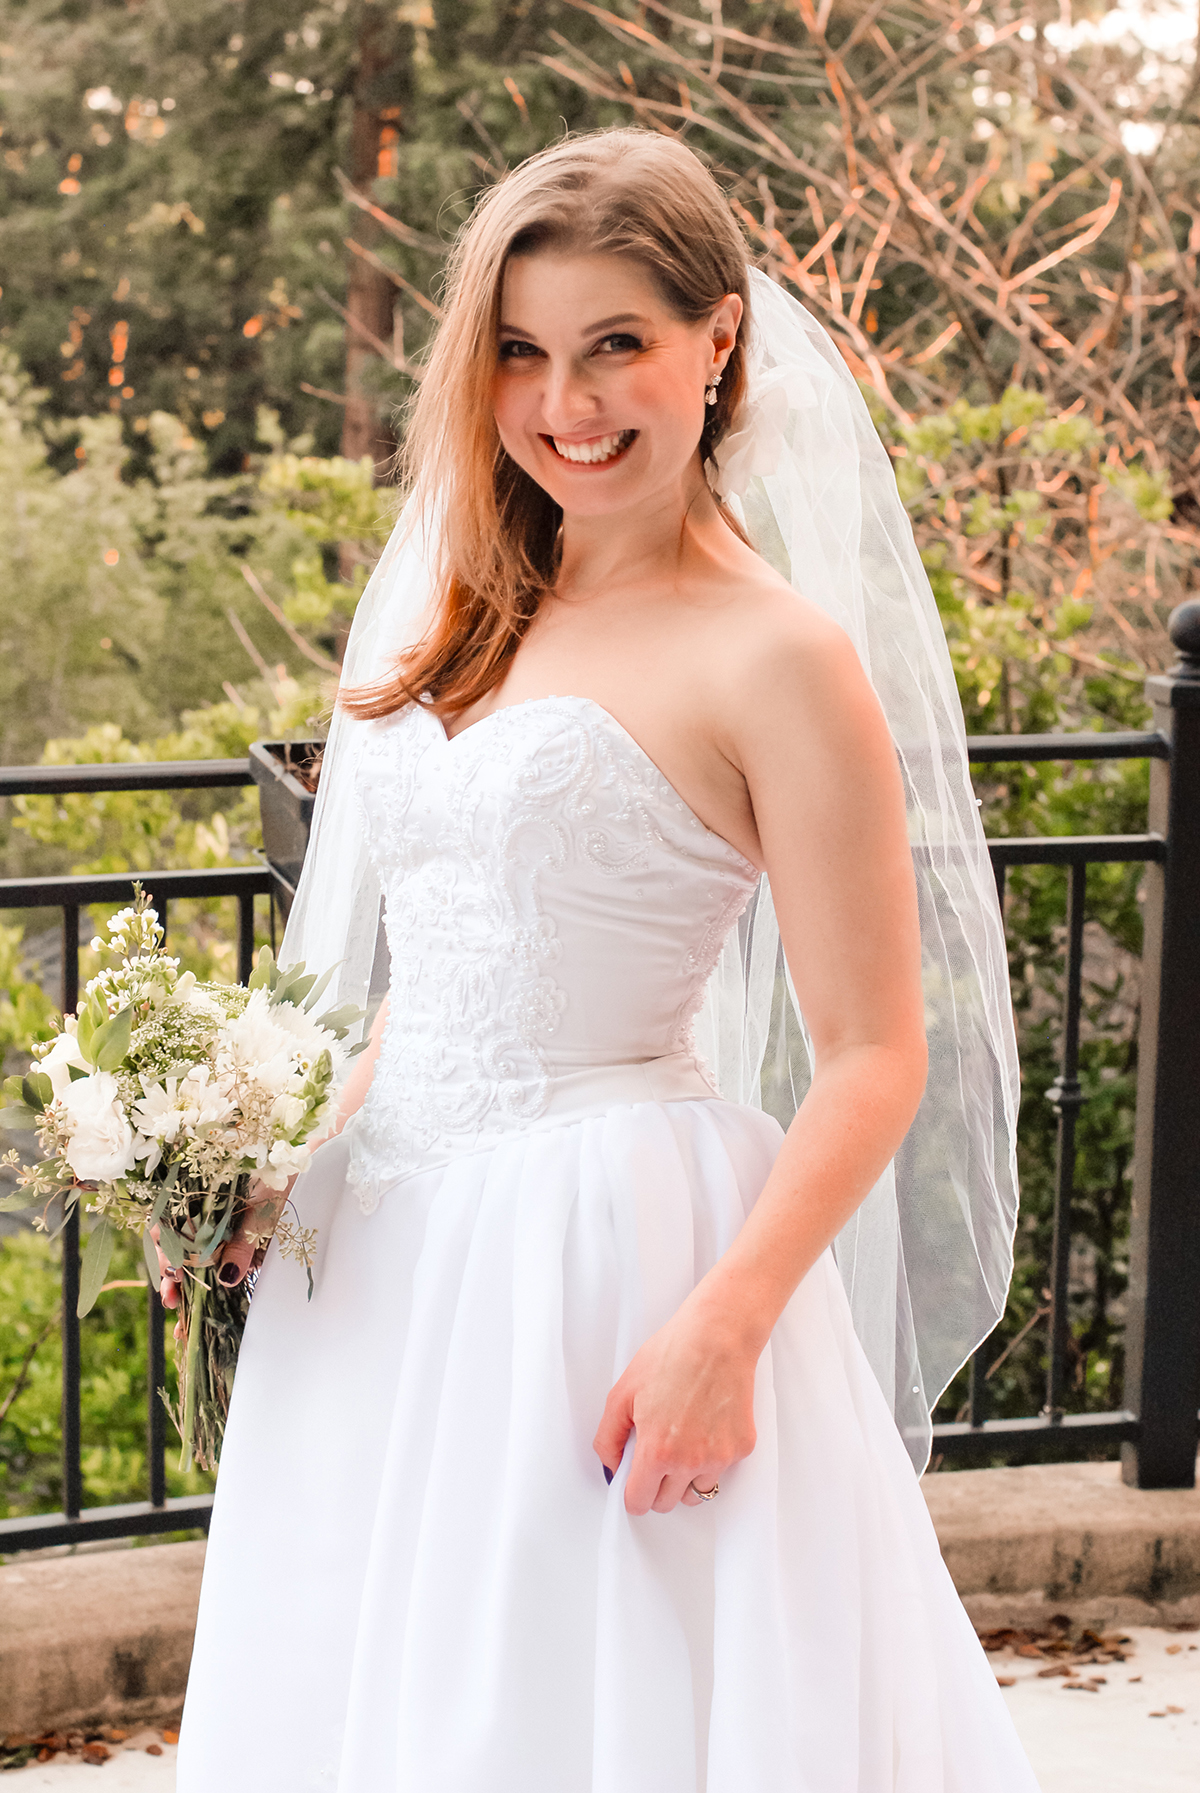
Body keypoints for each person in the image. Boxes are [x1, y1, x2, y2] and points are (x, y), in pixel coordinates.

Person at [174, 129, 1039, 1790]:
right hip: (383, 1263)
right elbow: (447, 977)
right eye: (521, 353)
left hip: (603, 1261)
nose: (566, 402)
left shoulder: (779, 657)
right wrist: (276, 1172)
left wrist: (726, 1325)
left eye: (616, 346)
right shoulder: (476, 596)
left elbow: (873, 1050)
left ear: (719, 346)